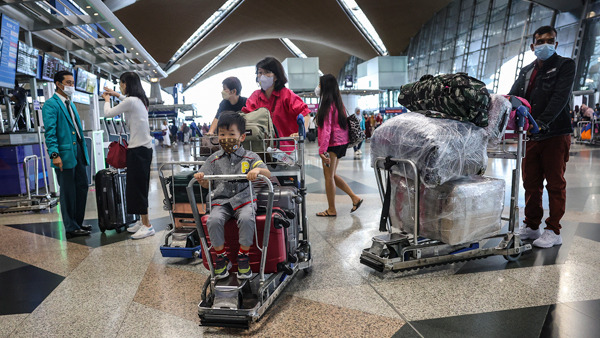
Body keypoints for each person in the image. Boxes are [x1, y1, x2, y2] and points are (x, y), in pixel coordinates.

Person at [508, 26, 575, 248]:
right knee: (531, 183)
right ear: (532, 45)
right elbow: (514, 96)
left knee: (555, 183)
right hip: (531, 136)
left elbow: (560, 98)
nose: (544, 44)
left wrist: (542, 123)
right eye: (540, 41)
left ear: (555, 44)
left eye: (549, 40)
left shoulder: (565, 65)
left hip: (555, 133)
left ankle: (553, 230)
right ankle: (532, 225)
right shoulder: (526, 71)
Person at [193, 112, 271, 279]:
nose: (226, 138)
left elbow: (267, 173)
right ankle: (221, 256)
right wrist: (201, 179)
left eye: (231, 134)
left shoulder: (250, 157)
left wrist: (257, 170)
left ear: (242, 137)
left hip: (245, 200)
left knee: (247, 218)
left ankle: (244, 256)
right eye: (222, 134)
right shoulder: (213, 159)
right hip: (220, 201)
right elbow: (206, 182)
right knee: (213, 220)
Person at [102, 72, 155, 240]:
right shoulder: (140, 100)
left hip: (138, 150)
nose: (120, 86)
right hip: (142, 149)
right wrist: (115, 94)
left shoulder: (131, 101)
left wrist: (107, 100)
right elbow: (126, 101)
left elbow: (108, 114)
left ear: (127, 84)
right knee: (137, 186)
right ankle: (142, 221)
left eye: (121, 83)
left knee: (138, 188)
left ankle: (147, 226)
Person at [42, 70, 91, 238]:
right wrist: (55, 154)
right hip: (63, 154)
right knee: (68, 191)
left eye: (72, 83)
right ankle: (70, 227)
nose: (72, 86)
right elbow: (50, 132)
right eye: (68, 83)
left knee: (82, 186)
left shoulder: (70, 103)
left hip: (78, 151)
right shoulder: (51, 104)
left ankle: (77, 222)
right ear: (58, 84)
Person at [314, 74, 362, 217]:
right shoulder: (338, 103)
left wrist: (322, 150)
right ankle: (355, 198)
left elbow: (327, 129)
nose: (318, 87)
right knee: (332, 175)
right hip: (340, 143)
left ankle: (331, 209)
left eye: (320, 85)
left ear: (326, 87)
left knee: (328, 177)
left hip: (332, 144)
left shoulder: (327, 105)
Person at [241, 57, 311, 150]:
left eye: (267, 72)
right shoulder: (255, 96)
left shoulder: (287, 95)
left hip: (286, 149)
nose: (262, 76)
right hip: (261, 149)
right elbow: (246, 117)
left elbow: (305, 114)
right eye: (260, 72)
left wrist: (302, 132)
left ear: (276, 76)